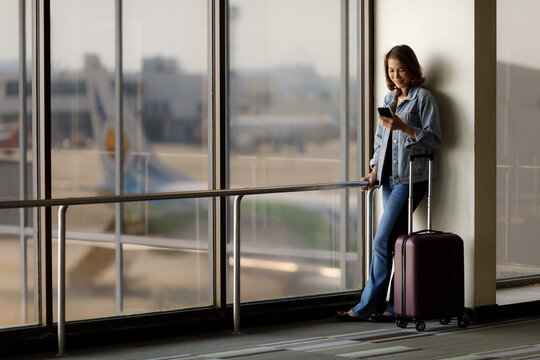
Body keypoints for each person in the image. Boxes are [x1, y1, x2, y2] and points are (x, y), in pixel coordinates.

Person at [337, 44, 442, 322]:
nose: (396, 75)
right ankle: (393, 307)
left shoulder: (424, 99)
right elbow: (380, 141)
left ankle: (366, 307)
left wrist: (404, 127)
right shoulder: (389, 98)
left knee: (382, 241)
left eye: (401, 69)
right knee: (395, 243)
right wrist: (372, 173)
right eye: (391, 70)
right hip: (387, 179)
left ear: (412, 69)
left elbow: (435, 139)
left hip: (411, 179)